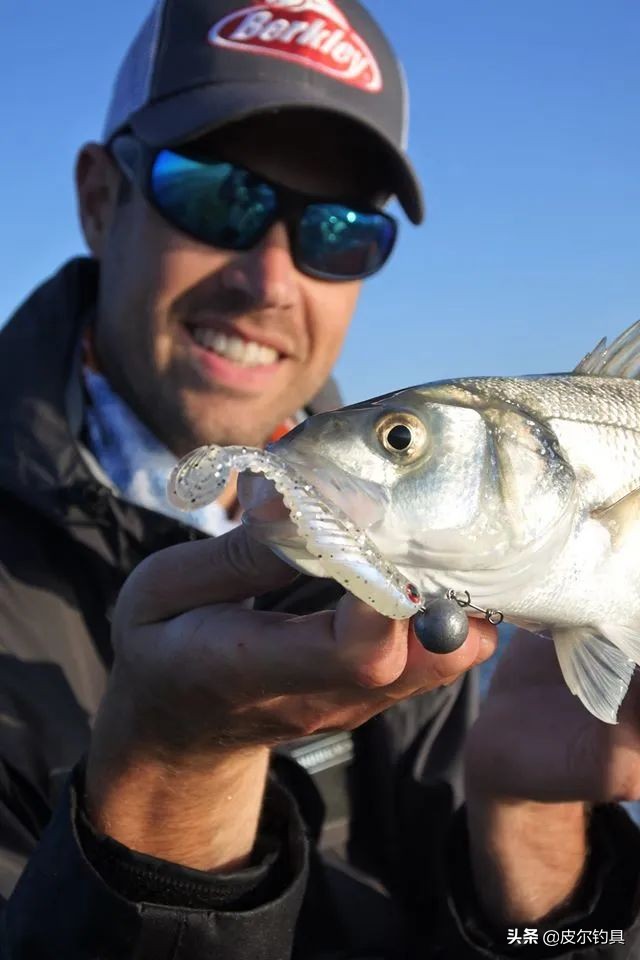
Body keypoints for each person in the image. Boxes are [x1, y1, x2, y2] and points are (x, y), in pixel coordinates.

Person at [1, 0, 640, 957]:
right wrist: (174, 766)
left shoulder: (422, 570)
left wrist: (525, 818)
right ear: (100, 199)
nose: (269, 280)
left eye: (342, 231)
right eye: (218, 194)